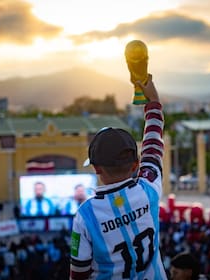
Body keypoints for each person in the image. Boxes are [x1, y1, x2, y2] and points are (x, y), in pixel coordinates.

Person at [70, 74, 168, 279]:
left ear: (96, 169)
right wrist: (154, 102)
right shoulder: (148, 188)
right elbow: (153, 146)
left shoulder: (86, 215)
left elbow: (78, 273)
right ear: (135, 164)